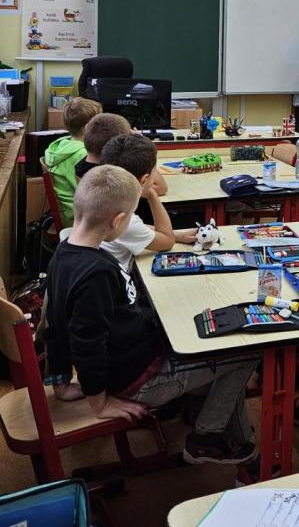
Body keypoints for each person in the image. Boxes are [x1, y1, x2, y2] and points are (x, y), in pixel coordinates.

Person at [45, 166, 259, 465]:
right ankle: (206, 438)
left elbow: (54, 324)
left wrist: (60, 380)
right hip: (139, 380)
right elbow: (87, 344)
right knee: (246, 353)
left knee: (197, 329)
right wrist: (100, 403)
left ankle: (200, 409)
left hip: (135, 358)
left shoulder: (63, 253)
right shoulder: (97, 273)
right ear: (118, 221)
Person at [60, 133, 187, 273]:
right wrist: (151, 194)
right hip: (120, 276)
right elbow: (167, 241)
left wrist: (178, 235)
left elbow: (137, 228)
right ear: (144, 180)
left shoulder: (97, 201)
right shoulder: (124, 219)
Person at [42, 96, 101, 228]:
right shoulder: (83, 154)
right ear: (88, 127)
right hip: (79, 218)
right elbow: (93, 194)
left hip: (68, 213)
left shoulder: (60, 144)